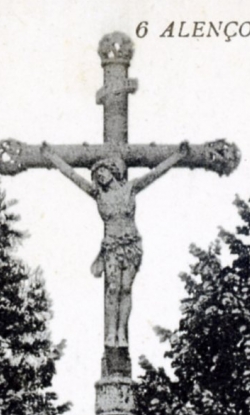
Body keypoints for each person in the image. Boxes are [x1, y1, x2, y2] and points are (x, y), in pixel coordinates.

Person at [41, 143, 190, 347]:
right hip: (111, 247)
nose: (100, 176)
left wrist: (176, 157)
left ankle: (121, 331)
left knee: (126, 288)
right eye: (97, 174)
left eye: (103, 171)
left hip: (131, 246)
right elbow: (73, 177)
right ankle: (111, 332)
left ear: (113, 171)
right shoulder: (98, 194)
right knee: (113, 288)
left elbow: (155, 174)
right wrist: (52, 158)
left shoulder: (131, 188)